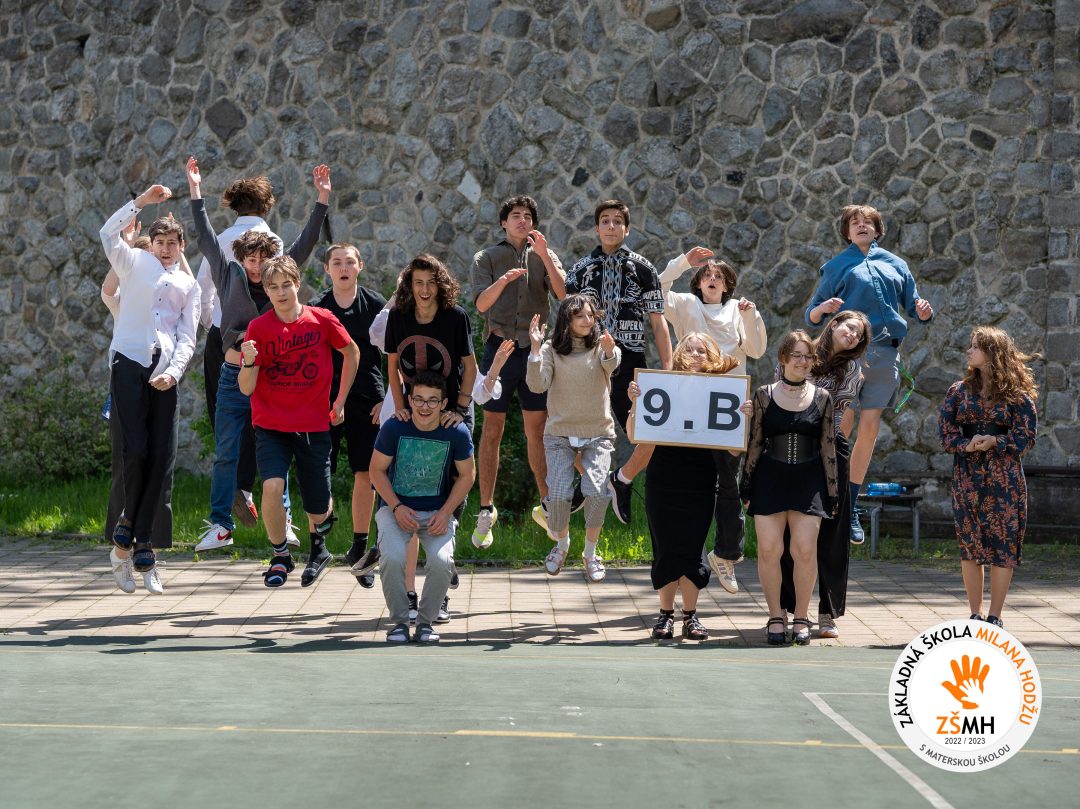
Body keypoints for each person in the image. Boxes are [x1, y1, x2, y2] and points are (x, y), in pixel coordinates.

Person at [186, 155, 330, 553]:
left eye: (263, 260)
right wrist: (195, 190)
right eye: (250, 259)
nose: (256, 266)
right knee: (226, 452)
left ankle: (284, 522)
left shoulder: (275, 283)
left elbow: (305, 243)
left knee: (274, 453)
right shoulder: (226, 273)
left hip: (269, 379)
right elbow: (204, 236)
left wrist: (322, 200)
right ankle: (220, 524)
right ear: (240, 259)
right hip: (234, 376)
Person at [607, 248, 766, 594]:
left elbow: (756, 349)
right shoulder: (685, 304)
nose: (713, 279)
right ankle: (675, 566)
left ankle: (726, 553)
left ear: (728, 285)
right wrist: (682, 262)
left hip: (723, 414)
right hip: (685, 407)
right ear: (698, 281)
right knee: (683, 482)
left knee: (729, 484)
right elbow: (656, 290)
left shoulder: (739, 309)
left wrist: (751, 316)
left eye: (719, 276)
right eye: (707, 274)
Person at [805, 205, 932, 543]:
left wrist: (923, 310)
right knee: (842, 424)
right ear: (846, 231)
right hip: (849, 354)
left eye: (868, 222)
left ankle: (850, 504)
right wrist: (822, 309)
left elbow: (914, 306)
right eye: (854, 222)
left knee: (871, 426)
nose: (861, 226)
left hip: (886, 353)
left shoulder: (896, 264)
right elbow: (812, 314)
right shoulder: (836, 266)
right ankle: (831, 495)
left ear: (877, 229)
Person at [100, 183, 200, 594]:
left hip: (164, 373)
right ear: (151, 244)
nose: (165, 249)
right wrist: (141, 201)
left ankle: (137, 537)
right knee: (136, 450)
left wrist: (173, 372)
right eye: (160, 242)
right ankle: (133, 536)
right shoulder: (133, 262)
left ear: (181, 247)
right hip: (128, 364)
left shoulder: (188, 285)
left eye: (172, 243)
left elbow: (188, 336)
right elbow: (107, 233)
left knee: (161, 456)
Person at [238, 256, 360, 587]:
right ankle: (280, 556)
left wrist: (340, 400)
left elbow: (352, 352)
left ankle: (319, 545)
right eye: (273, 287)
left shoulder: (321, 320)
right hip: (271, 425)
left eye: (285, 285)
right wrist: (248, 362)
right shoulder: (258, 328)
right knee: (272, 486)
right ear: (266, 290)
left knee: (318, 508)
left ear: (297, 284)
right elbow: (246, 388)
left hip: (313, 425)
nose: (280, 293)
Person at [469, 195, 566, 550]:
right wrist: (504, 280)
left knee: (537, 430)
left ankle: (546, 505)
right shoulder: (486, 257)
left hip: (534, 351)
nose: (522, 220)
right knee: (492, 430)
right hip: (500, 349)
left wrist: (545, 257)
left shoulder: (544, 253)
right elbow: (481, 304)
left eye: (527, 216)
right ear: (503, 222)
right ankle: (486, 510)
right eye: (515, 215)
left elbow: (564, 294)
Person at [632, 333, 739, 641]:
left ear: (712, 356)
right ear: (679, 354)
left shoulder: (723, 392)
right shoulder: (661, 385)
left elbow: (733, 451)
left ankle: (690, 617)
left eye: (702, 350)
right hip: (663, 478)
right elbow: (633, 433)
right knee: (665, 546)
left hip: (701, 478)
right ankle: (665, 615)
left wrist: (742, 420)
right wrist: (635, 404)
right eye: (689, 349)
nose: (695, 354)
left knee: (693, 548)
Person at [740, 331, 838, 645]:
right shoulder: (763, 394)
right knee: (769, 550)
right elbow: (755, 442)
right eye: (796, 355)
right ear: (783, 358)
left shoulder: (822, 397)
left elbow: (828, 446)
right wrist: (746, 486)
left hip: (809, 479)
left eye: (808, 356)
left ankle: (801, 617)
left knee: (804, 551)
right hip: (770, 478)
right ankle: (775, 616)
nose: (802, 361)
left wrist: (832, 492)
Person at [778, 311, 871, 639]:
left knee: (833, 531)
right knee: (789, 531)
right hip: (791, 444)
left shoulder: (852, 369)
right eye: (850, 327)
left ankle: (828, 612)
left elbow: (836, 411)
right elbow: (781, 391)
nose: (853, 335)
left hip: (830, 447)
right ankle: (786, 608)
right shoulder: (800, 350)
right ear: (834, 324)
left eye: (859, 335)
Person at [938, 327, 1038, 629]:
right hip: (967, 477)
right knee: (970, 544)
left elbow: (1026, 437)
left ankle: (995, 616)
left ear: (993, 353)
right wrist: (965, 445)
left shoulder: (1018, 396)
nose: (969, 351)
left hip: (1004, 478)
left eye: (975, 347)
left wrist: (997, 441)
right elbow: (945, 433)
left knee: (1003, 544)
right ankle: (975, 613)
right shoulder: (958, 391)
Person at [195, 174, 278, 527]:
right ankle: (245, 487)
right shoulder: (274, 242)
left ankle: (232, 486)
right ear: (266, 205)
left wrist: (213, 324)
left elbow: (202, 287)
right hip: (263, 338)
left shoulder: (223, 239)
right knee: (260, 414)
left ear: (234, 205)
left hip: (223, 335)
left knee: (223, 413)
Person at [369, 370, 475, 643]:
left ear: (443, 403)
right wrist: (396, 507)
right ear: (410, 400)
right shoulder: (394, 427)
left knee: (441, 562)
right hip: (397, 510)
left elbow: (468, 475)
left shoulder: (456, 432)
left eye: (432, 400)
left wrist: (446, 512)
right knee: (392, 558)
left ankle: (426, 624)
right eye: (418, 399)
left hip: (438, 513)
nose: (424, 407)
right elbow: (376, 471)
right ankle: (399, 624)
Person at [565, 199, 672, 454]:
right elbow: (568, 322)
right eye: (605, 221)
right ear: (597, 229)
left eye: (617, 221)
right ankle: (590, 480)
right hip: (588, 360)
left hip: (630, 362)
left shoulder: (644, 269)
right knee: (577, 436)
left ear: (627, 229)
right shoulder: (579, 271)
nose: (611, 226)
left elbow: (658, 322)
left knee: (642, 432)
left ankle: (625, 477)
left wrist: (668, 369)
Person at [526, 295, 620, 582]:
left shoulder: (602, 345)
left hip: (598, 434)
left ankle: (590, 553)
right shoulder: (550, 350)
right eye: (580, 316)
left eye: (591, 315)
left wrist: (610, 350)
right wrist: (534, 349)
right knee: (558, 495)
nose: (587, 320)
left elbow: (612, 364)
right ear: (567, 320)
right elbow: (536, 385)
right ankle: (562, 544)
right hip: (559, 435)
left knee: (597, 493)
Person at [309, 243, 387, 588]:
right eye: (337, 262)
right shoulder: (317, 308)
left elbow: (394, 353)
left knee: (366, 473)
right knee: (318, 472)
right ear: (327, 269)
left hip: (368, 398)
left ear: (360, 266)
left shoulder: (375, 305)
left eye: (350, 262)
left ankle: (359, 548)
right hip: (325, 399)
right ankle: (317, 548)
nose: (343, 268)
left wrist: (389, 401)